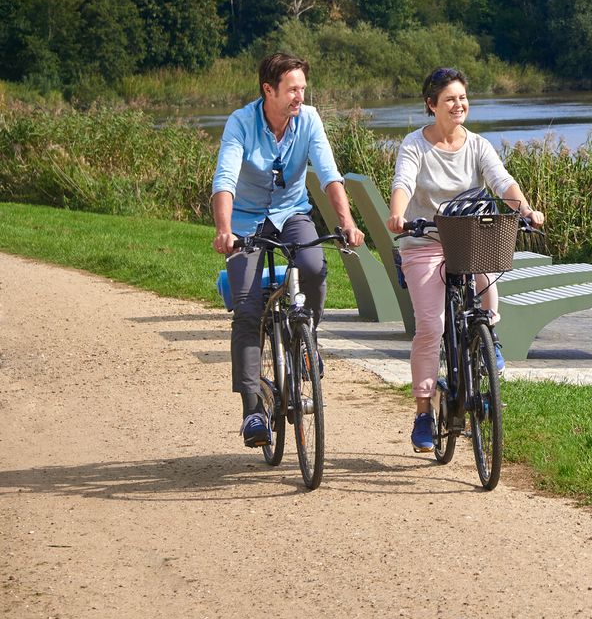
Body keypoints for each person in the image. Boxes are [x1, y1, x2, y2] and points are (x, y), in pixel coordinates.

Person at [212, 52, 366, 448]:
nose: (300, 96)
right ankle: (252, 412)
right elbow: (225, 179)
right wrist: (225, 230)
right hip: (246, 220)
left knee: (314, 266)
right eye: (292, 89)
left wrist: (346, 223)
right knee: (247, 308)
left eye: (302, 88)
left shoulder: (309, 120)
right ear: (269, 90)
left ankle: (307, 340)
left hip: (291, 213)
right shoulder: (241, 123)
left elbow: (330, 175)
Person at [387, 67, 544, 453]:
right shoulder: (414, 146)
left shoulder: (478, 145)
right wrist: (397, 214)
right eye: (449, 100)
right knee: (430, 326)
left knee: (488, 278)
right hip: (423, 239)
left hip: (470, 237)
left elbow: (502, 181)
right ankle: (424, 411)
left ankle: (488, 340)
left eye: (462, 98)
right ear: (431, 105)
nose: (459, 105)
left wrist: (525, 210)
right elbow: (404, 182)